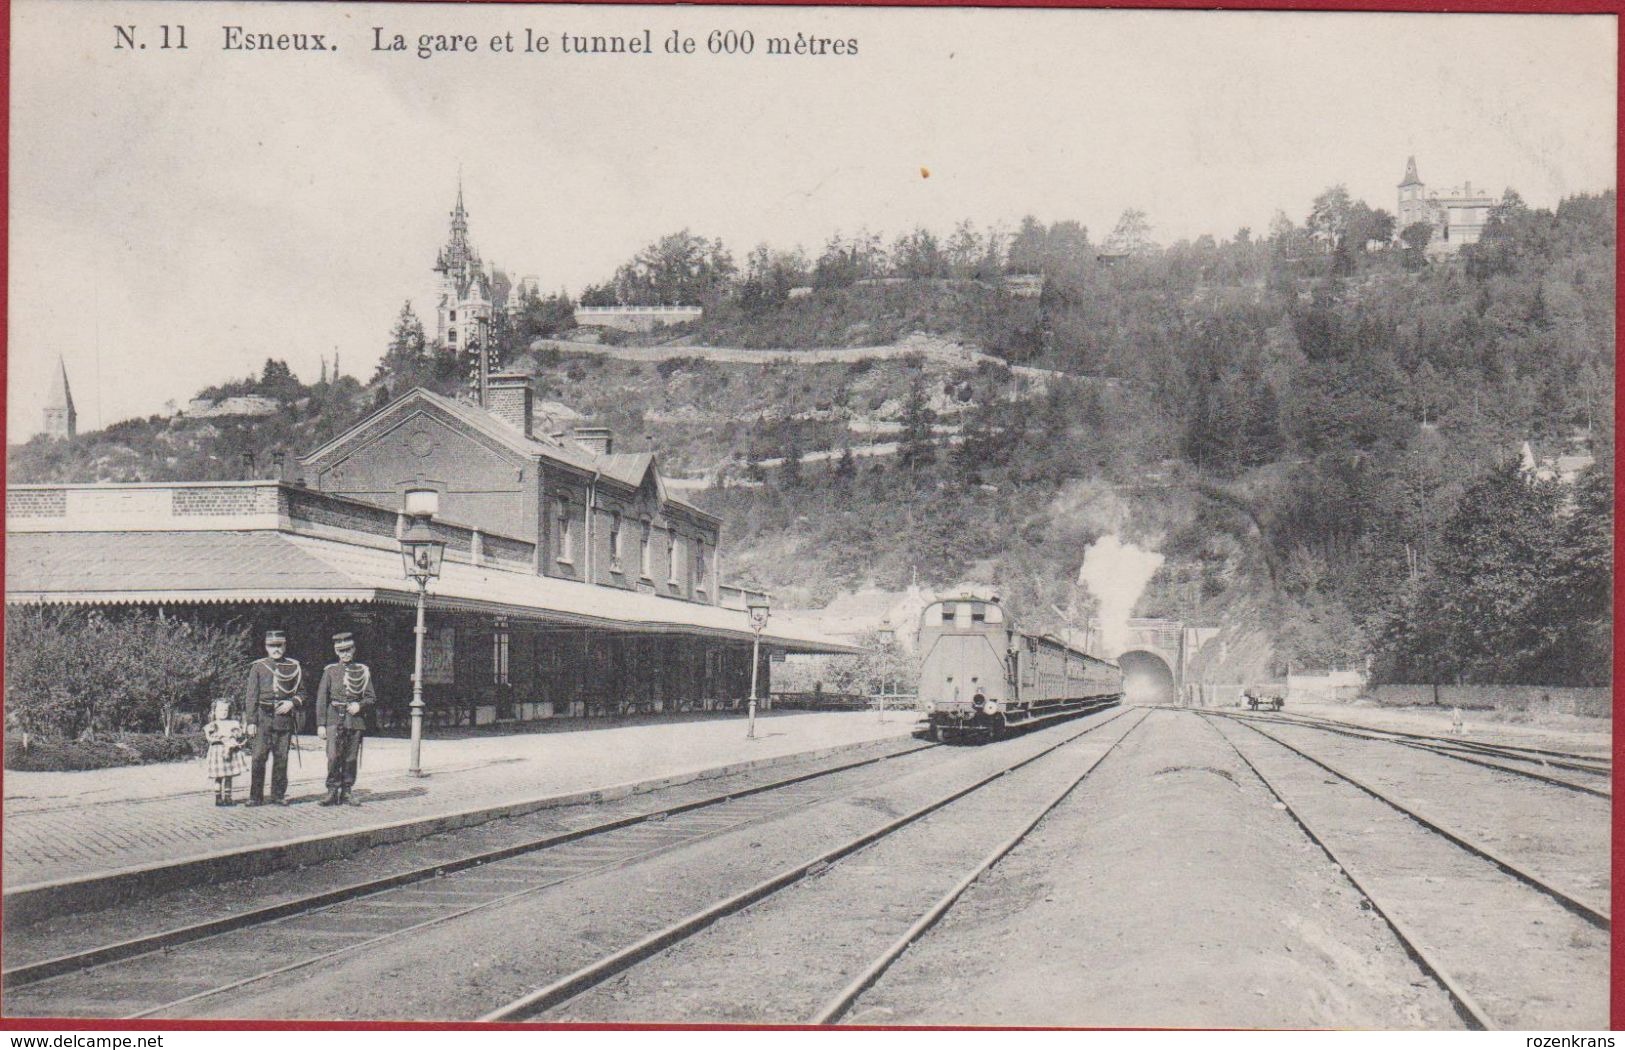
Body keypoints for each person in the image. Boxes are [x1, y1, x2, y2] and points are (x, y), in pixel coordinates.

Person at [243, 629, 304, 806]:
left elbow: (303, 693)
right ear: (266, 647)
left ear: (284, 646)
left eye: (279, 645)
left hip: (283, 719)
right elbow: (251, 696)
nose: (276, 649)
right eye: (272, 646)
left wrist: (292, 703)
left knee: (281, 758)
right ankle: (255, 796)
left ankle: (278, 795)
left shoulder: (294, 667)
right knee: (258, 758)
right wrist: (251, 721)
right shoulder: (259, 667)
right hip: (263, 717)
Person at [316, 632, 376, 806]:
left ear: (354, 649)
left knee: (350, 758)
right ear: (336, 652)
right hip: (334, 718)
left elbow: (371, 697)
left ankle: (347, 791)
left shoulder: (363, 671)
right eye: (341, 651)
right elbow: (322, 698)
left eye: (348, 650)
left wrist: (360, 705)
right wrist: (321, 724)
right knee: (333, 756)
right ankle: (332, 791)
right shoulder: (330, 671)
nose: (345, 654)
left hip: (354, 720)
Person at [204, 699, 249, 806]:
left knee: (229, 775)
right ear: (214, 711)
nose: (223, 712)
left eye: (226, 710)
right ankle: (218, 798)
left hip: (231, 752)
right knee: (218, 776)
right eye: (220, 710)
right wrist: (220, 738)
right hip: (218, 753)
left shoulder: (233, 723)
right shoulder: (213, 725)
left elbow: (238, 735)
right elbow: (210, 738)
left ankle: (228, 797)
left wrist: (236, 738)